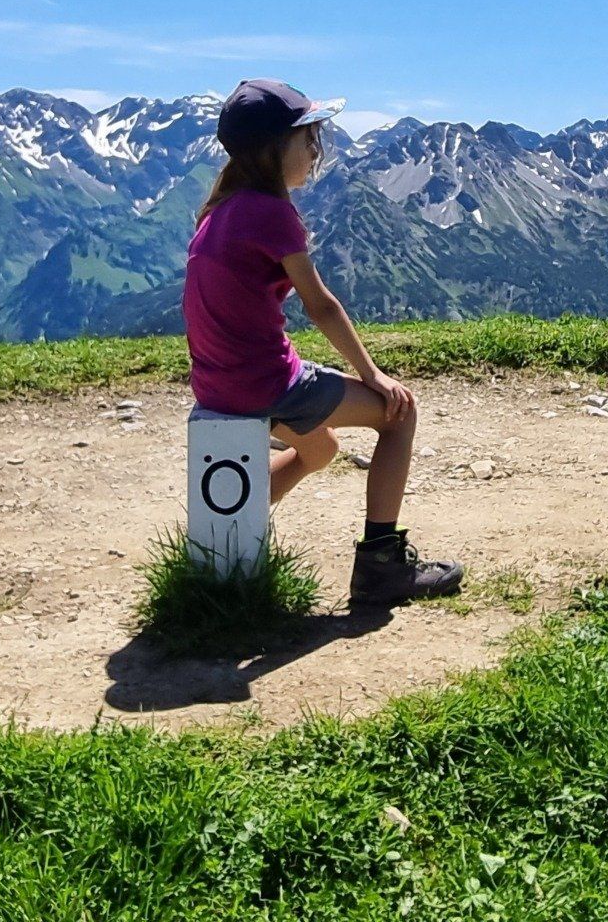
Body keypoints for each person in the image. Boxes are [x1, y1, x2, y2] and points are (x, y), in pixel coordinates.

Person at [183, 78, 465, 605]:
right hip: (266, 385)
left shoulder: (218, 210)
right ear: (273, 149)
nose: (315, 151)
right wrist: (373, 375)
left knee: (321, 448)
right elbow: (321, 305)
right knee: (399, 414)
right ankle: (381, 566)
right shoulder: (271, 212)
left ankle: (228, 534)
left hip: (218, 384)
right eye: (306, 138)